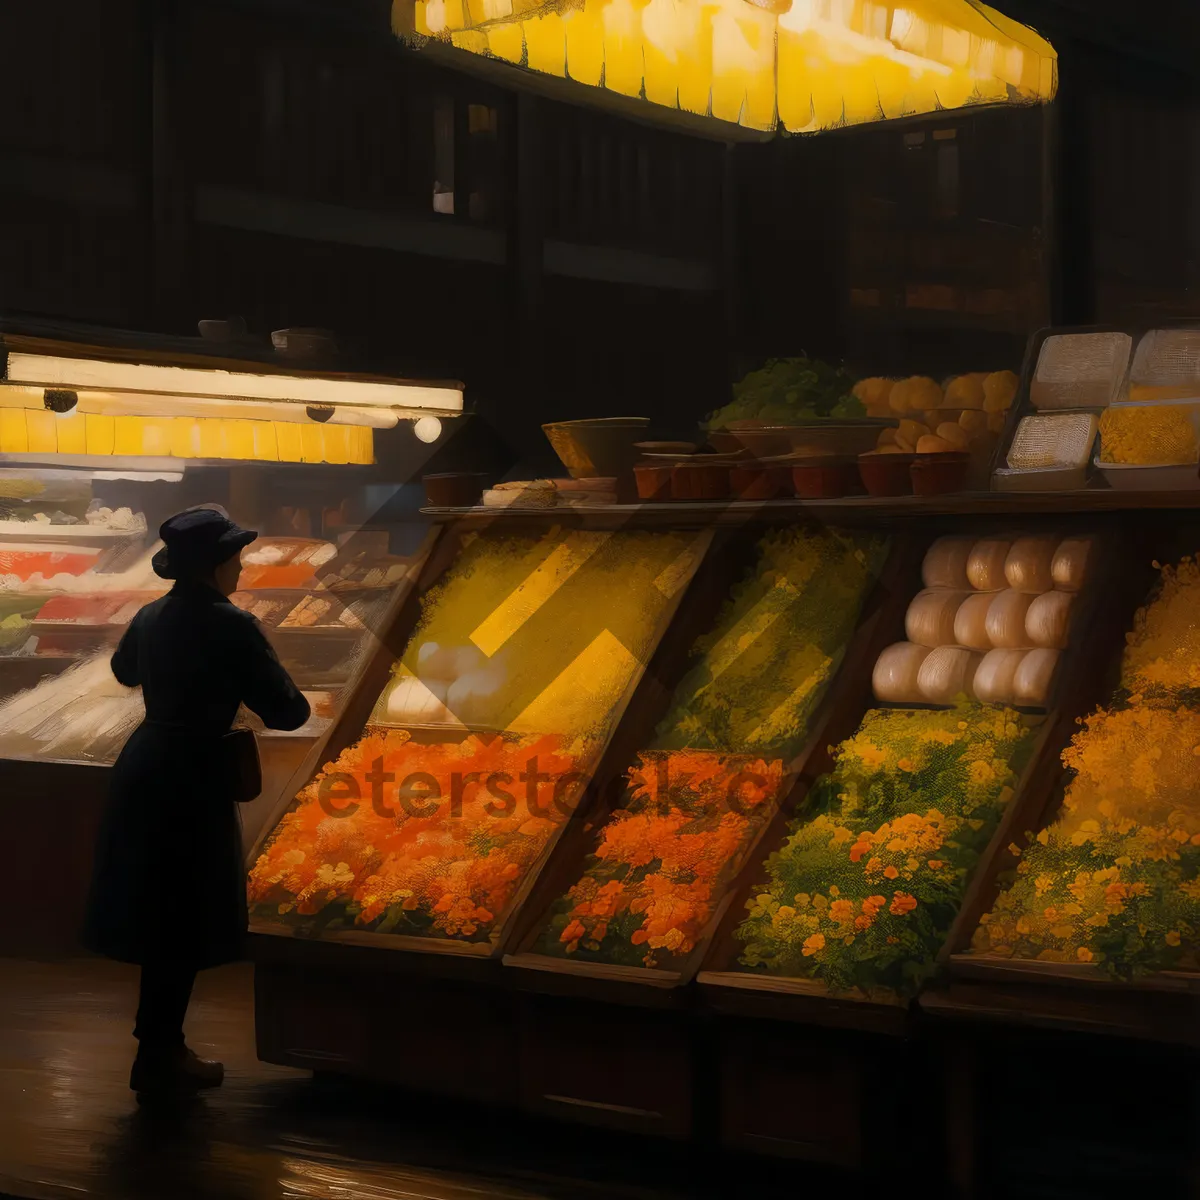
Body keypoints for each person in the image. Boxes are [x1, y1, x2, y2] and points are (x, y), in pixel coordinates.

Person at [83, 507, 311, 1097]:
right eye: (235, 558)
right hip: (194, 776)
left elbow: (123, 668)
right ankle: (161, 1053)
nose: (240, 567)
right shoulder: (232, 624)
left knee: (158, 909)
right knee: (181, 912)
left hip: (146, 764)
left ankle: (158, 1047)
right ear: (217, 565)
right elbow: (289, 712)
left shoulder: (151, 616)